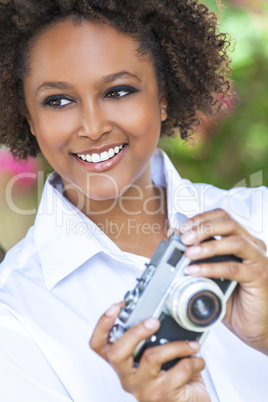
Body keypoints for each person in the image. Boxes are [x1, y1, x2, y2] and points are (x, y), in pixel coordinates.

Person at [0, 0, 267, 401]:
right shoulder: (15, 316)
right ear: (29, 119)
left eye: (118, 91)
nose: (92, 127)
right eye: (57, 100)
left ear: (163, 96)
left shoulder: (259, 220)